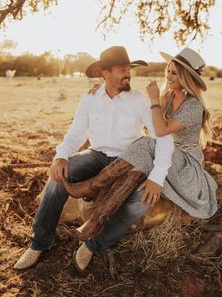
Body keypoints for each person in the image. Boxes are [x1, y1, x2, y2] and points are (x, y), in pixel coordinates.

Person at [14, 46, 174, 271]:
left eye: (129, 69)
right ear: (104, 73)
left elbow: (163, 139)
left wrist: (157, 177)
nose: (127, 74)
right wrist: (61, 156)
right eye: (121, 69)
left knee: (141, 202)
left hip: (130, 162)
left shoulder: (140, 101)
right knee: (58, 178)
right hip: (96, 155)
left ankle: (92, 244)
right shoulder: (90, 99)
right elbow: (76, 133)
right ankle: (40, 243)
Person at [63, 47, 218, 242]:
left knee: (144, 143)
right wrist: (102, 88)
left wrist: (154, 99)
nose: (168, 77)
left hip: (185, 166)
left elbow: (161, 131)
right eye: (168, 71)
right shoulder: (169, 97)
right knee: (140, 161)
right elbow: (143, 106)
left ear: (187, 77)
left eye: (174, 73)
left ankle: (94, 185)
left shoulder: (194, 106)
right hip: (170, 158)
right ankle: (93, 223)